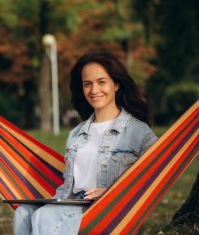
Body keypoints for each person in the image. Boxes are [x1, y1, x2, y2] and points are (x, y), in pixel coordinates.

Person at [12, 51, 158, 235]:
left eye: (101, 82)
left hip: (108, 211)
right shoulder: (76, 134)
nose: (94, 90)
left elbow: (153, 179)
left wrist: (112, 193)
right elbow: (68, 187)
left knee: (46, 217)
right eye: (87, 84)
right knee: (23, 212)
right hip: (73, 203)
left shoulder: (139, 133)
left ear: (116, 85)